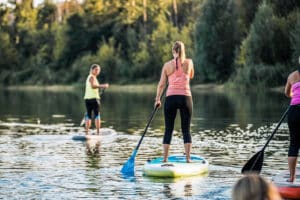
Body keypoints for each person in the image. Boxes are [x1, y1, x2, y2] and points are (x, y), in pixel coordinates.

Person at [154, 41, 194, 163]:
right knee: (186, 129)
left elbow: (161, 84)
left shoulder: (167, 65)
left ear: (173, 51)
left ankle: (165, 159)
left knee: (168, 129)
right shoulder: (189, 62)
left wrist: (157, 99)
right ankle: (188, 159)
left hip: (171, 98)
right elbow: (191, 75)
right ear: (183, 51)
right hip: (185, 98)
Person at [284, 56, 300, 182]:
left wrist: (294, 96)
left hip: (293, 110)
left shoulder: (292, 76)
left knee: (294, 144)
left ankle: (292, 177)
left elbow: (287, 93)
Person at [84, 64, 109, 135]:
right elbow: (93, 86)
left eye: (98, 70)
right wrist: (103, 86)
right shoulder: (92, 77)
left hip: (87, 99)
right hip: (94, 99)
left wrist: (100, 87)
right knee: (97, 115)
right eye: (96, 70)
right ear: (92, 70)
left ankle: (87, 133)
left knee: (88, 116)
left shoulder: (90, 77)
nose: (98, 71)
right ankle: (98, 133)